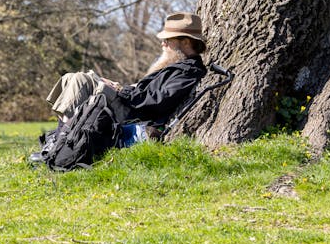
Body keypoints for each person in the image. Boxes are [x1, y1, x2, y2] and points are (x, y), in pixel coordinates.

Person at [30, 12, 207, 168]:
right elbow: (146, 92)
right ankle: (63, 141)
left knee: (87, 84)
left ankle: (61, 145)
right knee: (75, 78)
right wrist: (122, 88)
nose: (162, 43)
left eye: (167, 40)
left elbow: (156, 101)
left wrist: (121, 90)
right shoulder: (174, 66)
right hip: (131, 103)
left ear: (185, 42)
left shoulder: (188, 72)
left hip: (135, 115)